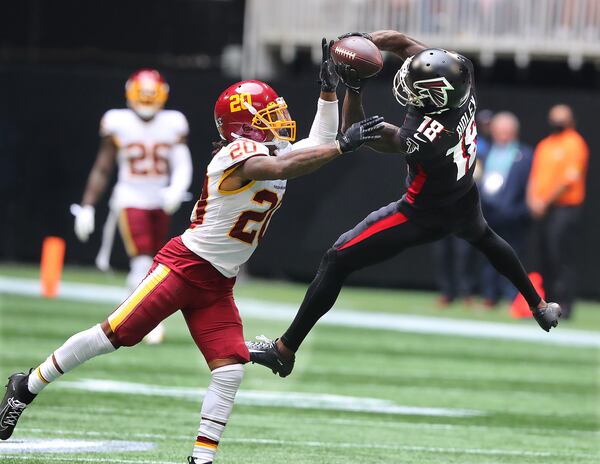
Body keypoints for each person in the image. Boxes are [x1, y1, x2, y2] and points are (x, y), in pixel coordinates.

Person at [0, 40, 385, 464]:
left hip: (218, 282)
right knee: (111, 335)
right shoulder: (238, 155)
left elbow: (317, 143)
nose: (282, 120)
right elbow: (282, 167)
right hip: (183, 267)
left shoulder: (270, 148)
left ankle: (201, 460)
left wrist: (328, 92)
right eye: (270, 116)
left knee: (231, 368)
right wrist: (343, 147)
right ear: (245, 126)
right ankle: (26, 385)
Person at [246, 30, 562, 378]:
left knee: (337, 258)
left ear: (436, 96)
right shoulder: (460, 74)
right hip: (462, 195)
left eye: (416, 88)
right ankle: (539, 305)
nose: (407, 87)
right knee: (486, 238)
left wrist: (353, 86)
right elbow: (400, 42)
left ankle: (283, 350)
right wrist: (362, 42)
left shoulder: (424, 136)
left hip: (423, 212)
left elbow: (356, 132)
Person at [73, 68, 193, 344]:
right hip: (131, 198)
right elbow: (103, 168)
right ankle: (143, 321)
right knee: (141, 258)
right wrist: (88, 205)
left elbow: (181, 160)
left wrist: (177, 188)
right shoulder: (119, 121)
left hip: (161, 199)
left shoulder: (173, 122)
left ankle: (138, 313)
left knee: (155, 260)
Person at [527, 104, 589, 319]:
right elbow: (534, 176)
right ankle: (548, 304)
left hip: (564, 209)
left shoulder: (575, 143)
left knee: (560, 257)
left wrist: (545, 201)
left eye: (561, 118)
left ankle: (566, 305)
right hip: (543, 210)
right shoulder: (545, 145)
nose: (557, 122)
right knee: (545, 257)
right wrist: (533, 200)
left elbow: (568, 180)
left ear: (571, 120)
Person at [479, 112, 533, 306]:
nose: (503, 134)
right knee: (489, 255)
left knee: (513, 255)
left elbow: (531, 185)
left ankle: (512, 297)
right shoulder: (484, 152)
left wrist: (523, 209)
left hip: (513, 215)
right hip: (487, 213)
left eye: (506, 130)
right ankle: (489, 296)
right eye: (499, 130)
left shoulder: (525, 155)